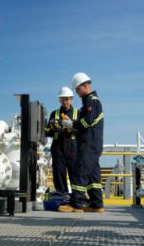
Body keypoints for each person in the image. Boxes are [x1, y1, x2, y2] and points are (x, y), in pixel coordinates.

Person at [58, 72, 105, 214]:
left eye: (77, 89)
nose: (77, 93)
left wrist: (72, 123)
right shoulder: (89, 102)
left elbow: (87, 122)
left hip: (89, 143)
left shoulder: (92, 101)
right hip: (92, 143)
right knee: (93, 175)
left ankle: (75, 204)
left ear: (85, 86)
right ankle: (97, 204)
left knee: (80, 170)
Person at [44, 87, 78, 203]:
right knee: (58, 172)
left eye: (67, 99)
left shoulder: (77, 113)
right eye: (62, 99)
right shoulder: (55, 113)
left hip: (73, 148)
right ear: (60, 100)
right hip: (58, 147)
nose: (65, 102)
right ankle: (61, 197)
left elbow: (82, 131)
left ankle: (76, 198)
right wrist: (53, 127)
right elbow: (47, 131)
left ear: (72, 99)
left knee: (75, 173)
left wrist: (71, 128)